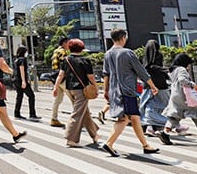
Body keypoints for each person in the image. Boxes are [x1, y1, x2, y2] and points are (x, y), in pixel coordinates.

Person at [100, 28, 160, 157]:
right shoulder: (127, 53)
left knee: (135, 118)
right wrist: (153, 86)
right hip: (127, 90)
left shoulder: (107, 54)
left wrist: (106, 90)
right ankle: (109, 143)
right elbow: (141, 71)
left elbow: (106, 74)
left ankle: (146, 145)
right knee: (125, 118)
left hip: (115, 90)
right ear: (123, 38)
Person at [160, 53, 197, 146]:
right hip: (184, 96)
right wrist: (191, 84)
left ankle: (165, 133)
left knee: (175, 116)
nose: (188, 66)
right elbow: (182, 80)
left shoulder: (172, 70)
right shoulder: (182, 69)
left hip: (175, 95)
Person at [53, 39, 99, 147]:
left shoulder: (66, 60)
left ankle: (95, 135)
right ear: (81, 48)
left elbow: (61, 75)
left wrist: (55, 87)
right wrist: (96, 88)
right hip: (81, 90)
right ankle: (71, 139)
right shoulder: (85, 60)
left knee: (85, 112)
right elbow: (90, 77)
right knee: (77, 114)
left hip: (70, 89)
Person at [139, 39, 170, 136]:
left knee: (147, 104)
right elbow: (159, 69)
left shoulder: (145, 57)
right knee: (163, 104)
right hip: (160, 84)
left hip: (148, 84)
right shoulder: (159, 55)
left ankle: (150, 126)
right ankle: (162, 123)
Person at [12, 45, 39, 121]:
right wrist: (24, 81)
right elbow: (22, 69)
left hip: (16, 80)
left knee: (19, 96)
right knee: (31, 96)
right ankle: (32, 114)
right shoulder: (22, 59)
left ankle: (17, 113)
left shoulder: (16, 60)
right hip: (21, 80)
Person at [50, 37, 71, 127]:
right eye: (68, 43)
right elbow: (65, 65)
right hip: (63, 78)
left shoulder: (55, 51)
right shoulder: (63, 52)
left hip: (56, 78)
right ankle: (78, 120)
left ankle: (54, 119)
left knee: (57, 100)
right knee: (74, 99)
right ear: (64, 43)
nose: (69, 45)